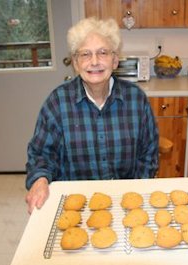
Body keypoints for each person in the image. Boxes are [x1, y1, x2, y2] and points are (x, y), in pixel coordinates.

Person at [25, 17, 159, 214]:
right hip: (76, 205)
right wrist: (40, 179)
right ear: (75, 63)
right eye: (85, 54)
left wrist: (136, 193)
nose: (94, 61)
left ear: (115, 60)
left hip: (125, 201)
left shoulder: (136, 99)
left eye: (102, 53)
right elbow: (41, 154)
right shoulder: (57, 103)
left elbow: (148, 154)